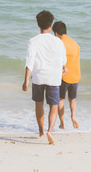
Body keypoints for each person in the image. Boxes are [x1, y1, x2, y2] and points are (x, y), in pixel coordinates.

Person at [22, 10, 67, 144]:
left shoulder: (33, 41)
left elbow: (29, 62)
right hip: (53, 77)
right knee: (54, 105)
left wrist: (25, 82)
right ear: (51, 24)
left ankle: (41, 130)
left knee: (39, 104)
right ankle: (50, 131)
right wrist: (63, 68)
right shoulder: (58, 41)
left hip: (38, 78)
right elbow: (63, 60)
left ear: (38, 25)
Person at [52, 21, 81, 129]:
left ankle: (62, 122)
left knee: (60, 100)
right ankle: (73, 116)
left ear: (55, 33)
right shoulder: (75, 43)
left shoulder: (60, 43)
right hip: (76, 76)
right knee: (72, 99)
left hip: (64, 77)